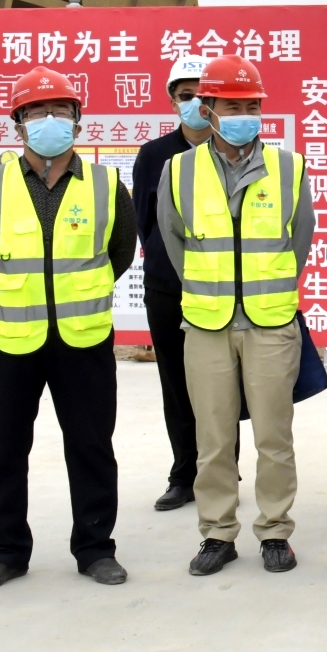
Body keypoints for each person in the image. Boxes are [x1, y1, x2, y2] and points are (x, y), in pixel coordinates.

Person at [0, 67, 136, 590]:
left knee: (91, 446)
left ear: (78, 121)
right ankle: (5, 552)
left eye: (60, 110)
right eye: (37, 112)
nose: (49, 120)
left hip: (83, 338)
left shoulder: (106, 184)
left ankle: (95, 548)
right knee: (2, 450)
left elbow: (120, 253)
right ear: (18, 123)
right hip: (6, 341)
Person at [160, 55, 313, 576]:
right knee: (213, 438)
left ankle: (275, 530)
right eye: (232, 106)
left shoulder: (289, 167)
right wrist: (213, 289)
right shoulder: (179, 170)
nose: (244, 115)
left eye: (252, 106)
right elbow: (173, 242)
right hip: (207, 323)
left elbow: (299, 240)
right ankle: (217, 532)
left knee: (274, 437)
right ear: (208, 109)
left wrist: (264, 289)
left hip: (271, 322)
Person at [132, 54, 214, 513]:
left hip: (219, 288)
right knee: (176, 382)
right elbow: (145, 222)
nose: (196, 103)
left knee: (221, 385)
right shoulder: (154, 155)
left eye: (204, 95)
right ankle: (184, 474)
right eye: (186, 95)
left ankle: (221, 469)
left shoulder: (234, 152)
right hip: (167, 288)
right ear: (171, 100)